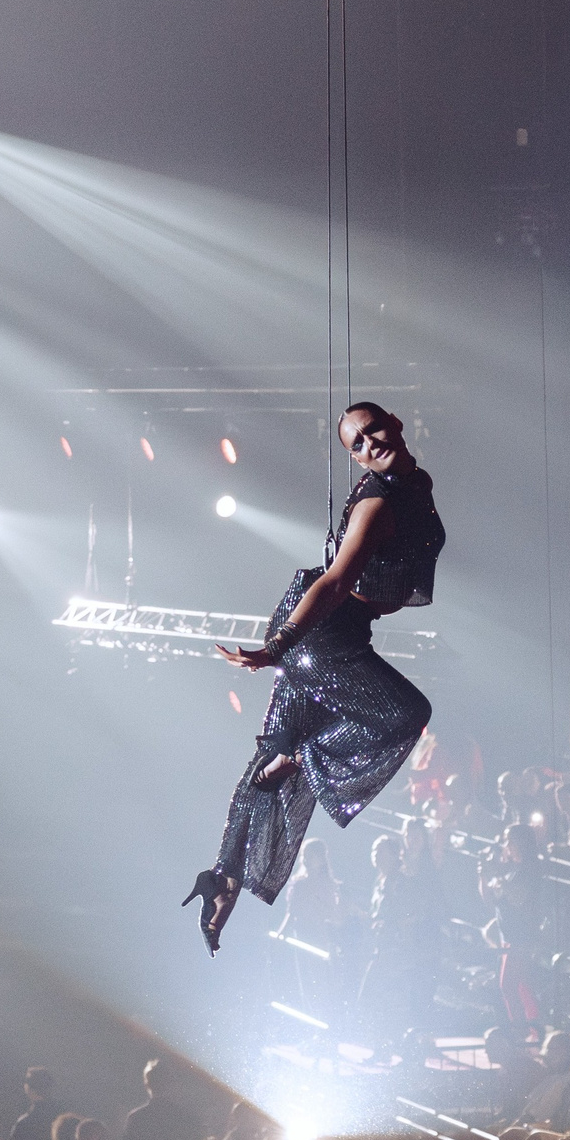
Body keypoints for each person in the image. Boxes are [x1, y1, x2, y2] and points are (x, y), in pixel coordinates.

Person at [189, 403, 444, 950]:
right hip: (322, 631)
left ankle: (222, 875)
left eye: (373, 431)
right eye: (357, 444)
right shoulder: (379, 501)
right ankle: (303, 757)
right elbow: (334, 583)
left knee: (270, 758)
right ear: (356, 458)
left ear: (396, 423)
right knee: (405, 714)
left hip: (330, 628)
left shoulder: (412, 483)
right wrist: (278, 647)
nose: (370, 444)